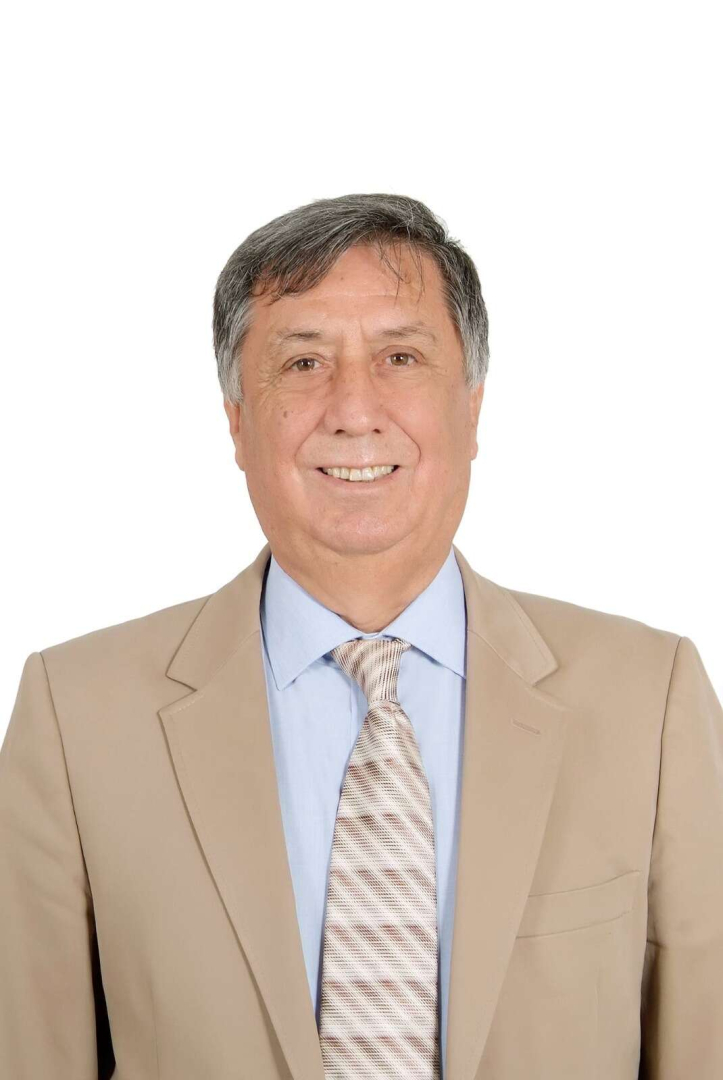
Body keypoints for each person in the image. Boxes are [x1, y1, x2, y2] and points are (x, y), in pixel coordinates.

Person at [1, 192, 721, 1080]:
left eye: (400, 357)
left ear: (472, 407)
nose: (353, 409)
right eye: (302, 362)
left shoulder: (649, 701)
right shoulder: (77, 718)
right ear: (237, 420)